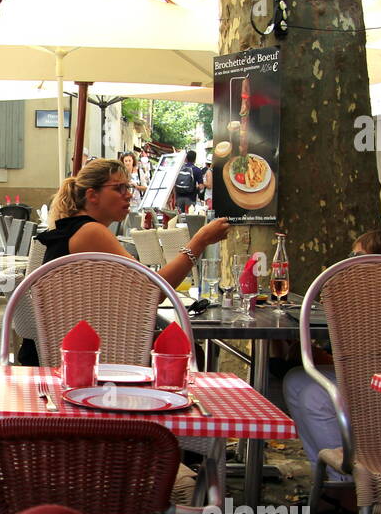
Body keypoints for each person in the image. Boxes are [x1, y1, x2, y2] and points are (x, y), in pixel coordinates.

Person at [18, 158, 230, 366]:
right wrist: (200, 241)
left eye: (128, 187)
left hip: (65, 350)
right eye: (119, 188)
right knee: (186, 351)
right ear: (92, 195)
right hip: (79, 358)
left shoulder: (75, 229)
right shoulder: (90, 232)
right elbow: (155, 291)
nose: (129, 194)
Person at [282, 229, 381, 475]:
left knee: (314, 397)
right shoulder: (358, 293)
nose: (349, 261)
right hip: (367, 375)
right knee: (295, 381)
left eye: (358, 255)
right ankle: (325, 475)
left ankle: (348, 483)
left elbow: (374, 352)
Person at [120, 151, 146, 232]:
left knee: (136, 227)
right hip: (124, 204)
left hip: (137, 204)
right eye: (126, 161)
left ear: (133, 161)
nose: (128, 163)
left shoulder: (139, 172)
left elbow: (145, 187)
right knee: (125, 227)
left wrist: (136, 186)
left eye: (129, 160)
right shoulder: (120, 173)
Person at [175, 149, 202, 213]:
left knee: (180, 216)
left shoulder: (179, 169)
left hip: (179, 197)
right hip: (191, 198)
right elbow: (201, 186)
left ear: (186, 158)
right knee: (189, 216)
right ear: (195, 159)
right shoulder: (197, 170)